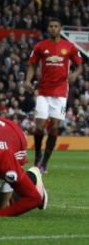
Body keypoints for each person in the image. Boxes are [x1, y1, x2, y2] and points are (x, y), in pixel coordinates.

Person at [25, 17, 83, 173]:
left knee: (55, 126)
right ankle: (37, 154)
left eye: (55, 26)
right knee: (39, 127)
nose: (52, 29)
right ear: (48, 29)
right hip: (43, 92)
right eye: (50, 26)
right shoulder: (40, 46)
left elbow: (80, 66)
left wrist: (75, 74)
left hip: (60, 93)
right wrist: (27, 79)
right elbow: (32, 65)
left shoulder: (69, 46)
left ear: (60, 28)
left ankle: (44, 163)